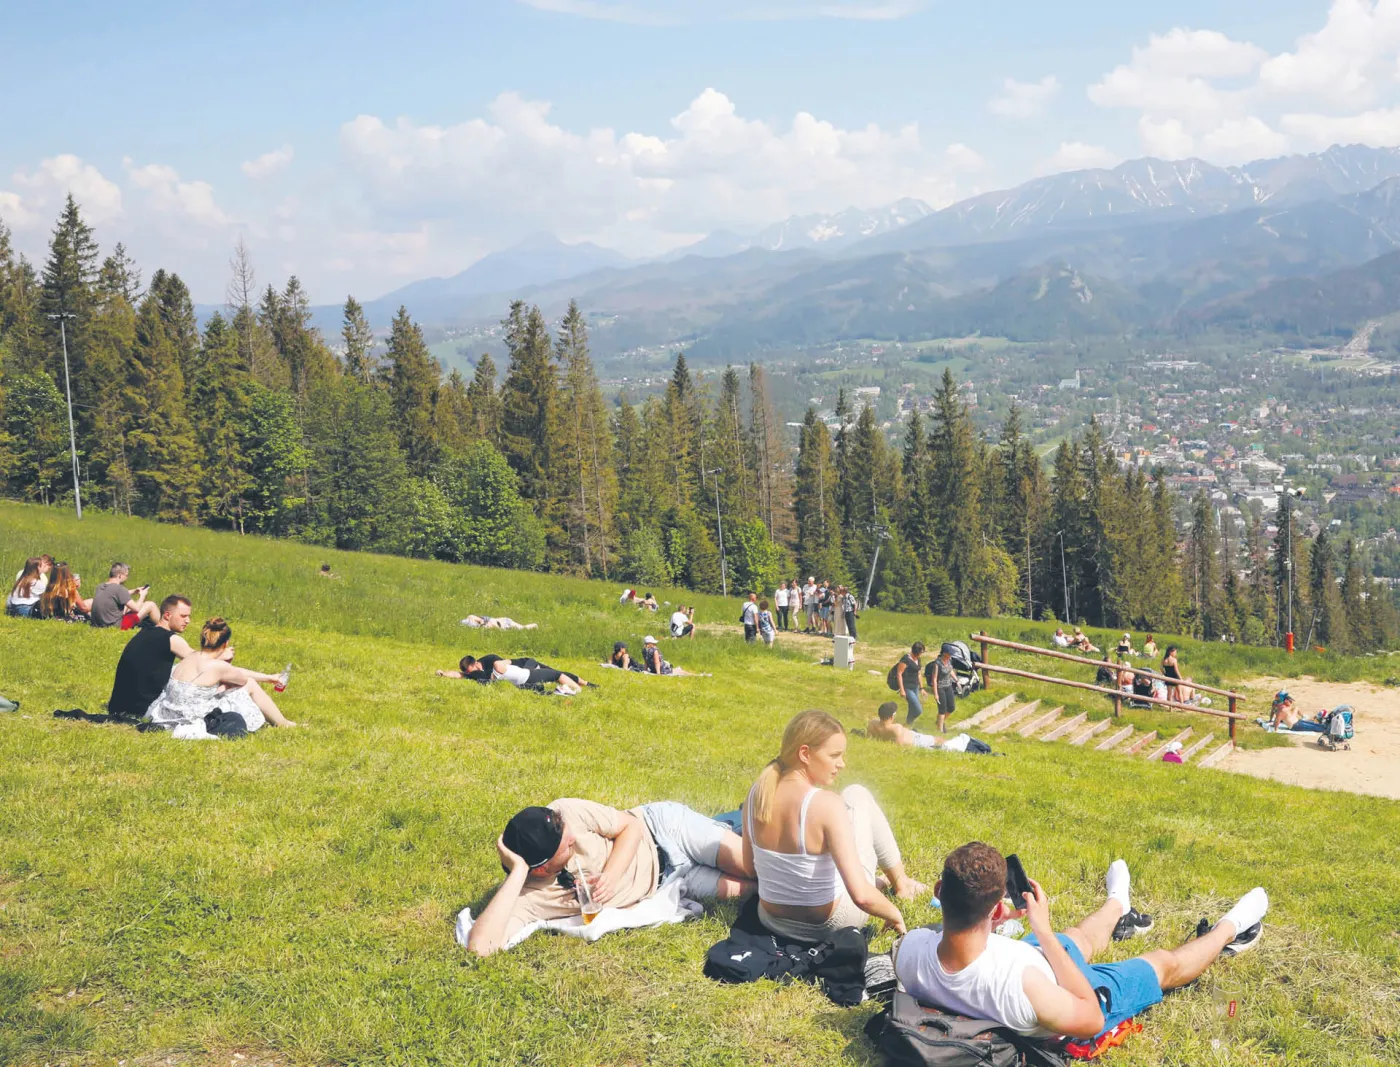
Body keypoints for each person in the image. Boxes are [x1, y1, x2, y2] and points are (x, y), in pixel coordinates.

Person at [894, 843, 1268, 1042]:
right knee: (1160, 964)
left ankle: (1118, 903)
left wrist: (1001, 923)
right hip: (1064, 988)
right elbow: (1090, 1018)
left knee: (1076, 938)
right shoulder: (1022, 984)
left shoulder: (910, 949)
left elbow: (954, 943)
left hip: (1029, 956)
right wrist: (1040, 930)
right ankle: (1231, 927)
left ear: (939, 891)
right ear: (994, 908)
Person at [466, 797, 757, 957]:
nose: (571, 837)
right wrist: (518, 871)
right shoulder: (530, 896)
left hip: (664, 830)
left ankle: (746, 818)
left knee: (756, 867)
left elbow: (631, 825)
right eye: (567, 845)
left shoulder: (566, 812)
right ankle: (736, 826)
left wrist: (610, 877)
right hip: (672, 883)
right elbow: (480, 947)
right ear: (541, 868)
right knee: (756, 889)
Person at [743, 710, 921, 943]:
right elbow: (862, 897)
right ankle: (901, 883)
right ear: (805, 753)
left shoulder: (757, 793)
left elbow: (749, 868)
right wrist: (894, 914)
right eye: (835, 755)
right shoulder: (825, 804)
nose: (842, 764)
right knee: (857, 793)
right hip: (830, 924)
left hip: (772, 921)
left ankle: (894, 881)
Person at [147, 617, 295, 732]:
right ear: (225, 643)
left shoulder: (190, 657)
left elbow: (224, 672)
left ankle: (281, 721)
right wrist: (269, 678)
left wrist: (269, 678)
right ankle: (282, 723)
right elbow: (242, 679)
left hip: (170, 712)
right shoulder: (218, 666)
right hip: (191, 717)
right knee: (250, 684)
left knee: (227, 685)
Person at [107, 595, 197, 721]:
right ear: (167, 615)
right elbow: (201, 662)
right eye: (183, 616)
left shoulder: (144, 632)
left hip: (119, 706)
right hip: (144, 709)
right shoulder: (171, 639)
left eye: (188, 616)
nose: (188, 621)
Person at [867, 701, 992, 754]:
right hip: (916, 740)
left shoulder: (872, 724)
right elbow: (900, 746)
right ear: (892, 716)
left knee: (938, 740)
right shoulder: (896, 728)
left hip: (914, 737)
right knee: (939, 740)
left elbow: (869, 738)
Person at [90, 563, 159, 630]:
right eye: (126, 575)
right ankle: (164, 628)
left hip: (98, 624)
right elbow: (137, 609)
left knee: (128, 605)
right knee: (150, 604)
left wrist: (134, 591)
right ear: (120, 575)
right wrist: (142, 595)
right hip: (116, 626)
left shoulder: (100, 586)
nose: (127, 578)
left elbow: (114, 594)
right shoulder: (119, 589)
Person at [493, 657, 591, 694]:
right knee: (557, 674)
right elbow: (502, 662)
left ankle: (584, 684)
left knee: (553, 675)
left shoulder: (493, 677)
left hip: (526, 677)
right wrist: (505, 661)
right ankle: (578, 690)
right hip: (529, 675)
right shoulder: (497, 665)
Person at [892, 642, 926, 726]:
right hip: (907, 687)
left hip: (915, 686)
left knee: (912, 707)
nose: (922, 654)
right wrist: (902, 690)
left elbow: (918, 673)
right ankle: (908, 722)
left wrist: (921, 688)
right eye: (921, 652)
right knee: (918, 710)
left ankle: (908, 724)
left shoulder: (918, 659)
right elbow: (899, 674)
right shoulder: (905, 659)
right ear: (916, 651)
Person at [929, 644, 959, 734]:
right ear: (944, 653)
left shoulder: (949, 660)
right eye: (949, 653)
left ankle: (939, 722)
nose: (951, 655)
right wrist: (936, 694)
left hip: (948, 686)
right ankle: (940, 731)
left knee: (951, 708)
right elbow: (934, 679)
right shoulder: (937, 663)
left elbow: (950, 671)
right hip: (940, 687)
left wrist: (956, 680)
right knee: (942, 709)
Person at [437, 654, 505, 683]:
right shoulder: (471, 673)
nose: (472, 674)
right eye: (469, 672)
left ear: (475, 663)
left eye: (471, 671)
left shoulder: (492, 660)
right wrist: (443, 673)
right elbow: (458, 674)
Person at [461, 614, 538, 630]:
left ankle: (534, 626)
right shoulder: (479, 626)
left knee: (522, 629)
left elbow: (470, 616)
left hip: (504, 623)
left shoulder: (475, 620)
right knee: (522, 628)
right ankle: (533, 627)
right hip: (503, 623)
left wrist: (482, 623)